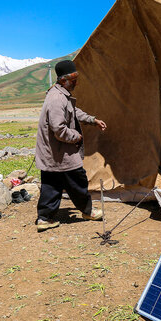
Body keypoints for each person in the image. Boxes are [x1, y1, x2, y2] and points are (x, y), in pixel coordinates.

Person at [34, 59, 107, 232]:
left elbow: (74, 112)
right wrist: (76, 136)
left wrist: (92, 120)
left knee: (51, 184)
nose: (76, 82)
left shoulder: (61, 94)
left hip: (55, 153)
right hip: (60, 152)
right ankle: (87, 211)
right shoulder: (56, 99)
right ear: (62, 79)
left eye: (76, 77)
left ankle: (44, 218)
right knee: (77, 180)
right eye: (72, 78)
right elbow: (59, 129)